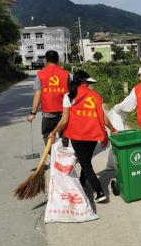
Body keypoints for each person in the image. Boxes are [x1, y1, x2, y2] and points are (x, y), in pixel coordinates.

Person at [49, 70, 118, 203]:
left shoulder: (69, 96)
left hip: (77, 135)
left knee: (85, 164)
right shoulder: (94, 95)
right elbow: (102, 116)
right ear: (83, 82)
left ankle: (99, 192)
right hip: (92, 135)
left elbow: (64, 120)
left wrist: (53, 132)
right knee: (86, 160)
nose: (88, 85)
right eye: (87, 82)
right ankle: (81, 182)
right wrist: (112, 129)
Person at [27, 50, 70, 145]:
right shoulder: (66, 74)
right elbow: (72, 93)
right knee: (65, 135)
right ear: (58, 60)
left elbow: (38, 95)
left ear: (45, 60)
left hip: (48, 112)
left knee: (48, 135)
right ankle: (63, 156)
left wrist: (33, 113)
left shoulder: (40, 74)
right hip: (64, 111)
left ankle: (52, 155)